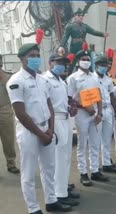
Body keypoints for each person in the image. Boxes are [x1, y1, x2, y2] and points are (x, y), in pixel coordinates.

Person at [7, 43, 71, 213]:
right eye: (31, 56)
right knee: (28, 173)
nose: (35, 58)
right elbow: (20, 113)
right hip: (28, 132)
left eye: (37, 55)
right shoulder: (16, 81)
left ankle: (51, 201)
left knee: (49, 168)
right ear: (22, 59)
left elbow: (48, 104)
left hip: (47, 129)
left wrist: (50, 129)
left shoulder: (42, 80)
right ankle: (33, 208)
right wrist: (41, 134)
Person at [67, 45, 109, 186]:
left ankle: (95, 170)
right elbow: (69, 99)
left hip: (95, 114)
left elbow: (99, 96)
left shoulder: (94, 77)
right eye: (83, 59)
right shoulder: (73, 78)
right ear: (78, 61)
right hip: (81, 115)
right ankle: (83, 173)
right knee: (82, 144)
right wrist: (84, 107)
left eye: (88, 59)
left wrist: (99, 113)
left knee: (95, 143)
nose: (86, 61)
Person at [44, 53, 80, 207]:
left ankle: (63, 188)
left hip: (65, 118)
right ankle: (58, 194)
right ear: (50, 63)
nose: (62, 65)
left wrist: (70, 107)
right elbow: (46, 103)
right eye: (58, 62)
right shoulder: (45, 80)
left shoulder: (61, 81)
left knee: (65, 157)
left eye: (64, 63)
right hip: (55, 120)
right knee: (58, 159)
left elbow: (62, 101)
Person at [58, 8, 109, 74]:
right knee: (71, 64)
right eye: (79, 15)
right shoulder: (70, 26)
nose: (81, 17)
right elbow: (65, 36)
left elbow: (93, 32)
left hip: (83, 47)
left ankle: (91, 74)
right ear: (75, 16)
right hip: (74, 47)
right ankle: (68, 76)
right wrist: (61, 46)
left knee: (88, 61)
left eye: (82, 15)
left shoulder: (85, 26)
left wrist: (102, 34)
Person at [93, 54, 116, 173]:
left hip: (108, 109)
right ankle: (95, 167)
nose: (104, 67)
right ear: (96, 66)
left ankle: (107, 163)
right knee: (95, 140)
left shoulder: (108, 79)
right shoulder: (91, 78)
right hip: (96, 110)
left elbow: (111, 95)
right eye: (101, 65)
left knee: (107, 138)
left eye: (105, 65)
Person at [0, 54, 20, 174]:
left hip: (5, 109)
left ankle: (11, 163)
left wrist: (3, 78)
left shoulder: (8, 76)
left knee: (8, 139)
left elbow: (14, 91)